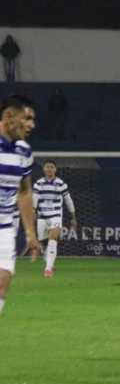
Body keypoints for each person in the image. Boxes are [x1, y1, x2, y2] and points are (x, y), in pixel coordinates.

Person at [0, 94, 41, 317]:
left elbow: (24, 191)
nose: (31, 125)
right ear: (9, 116)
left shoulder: (23, 151)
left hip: (5, 228)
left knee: (2, 284)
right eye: (27, 118)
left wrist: (30, 233)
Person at [33, 161, 76, 277]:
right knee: (43, 245)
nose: (49, 169)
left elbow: (68, 200)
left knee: (53, 239)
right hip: (42, 217)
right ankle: (50, 264)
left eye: (52, 167)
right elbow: (35, 199)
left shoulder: (61, 184)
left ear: (55, 170)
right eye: (47, 167)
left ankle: (48, 269)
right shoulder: (38, 184)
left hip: (55, 215)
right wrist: (33, 210)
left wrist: (73, 217)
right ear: (44, 169)